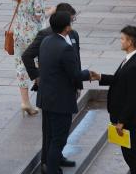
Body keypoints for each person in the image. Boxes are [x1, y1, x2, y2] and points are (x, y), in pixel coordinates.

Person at [36, 11, 95, 174]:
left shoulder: (46, 41)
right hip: (60, 101)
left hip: (46, 98)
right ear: (67, 28)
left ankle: (49, 167)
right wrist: (89, 74)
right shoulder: (65, 48)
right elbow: (75, 74)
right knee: (58, 140)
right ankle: (53, 170)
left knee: (50, 137)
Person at [97, 26, 136, 174]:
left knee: (133, 155)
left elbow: (134, 97)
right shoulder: (130, 59)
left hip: (129, 120)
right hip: (125, 118)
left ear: (130, 41)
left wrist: (122, 121)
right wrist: (100, 77)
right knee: (129, 155)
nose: (120, 41)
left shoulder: (134, 65)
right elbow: (119, 80)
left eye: (123, 39)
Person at [9, 0, 48, 118]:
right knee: (40, 63)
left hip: (19, 33)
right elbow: (39, 16)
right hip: (34, 34)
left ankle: (25, 101)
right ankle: (44, 97)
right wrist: (49, 9)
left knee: (21, 65)